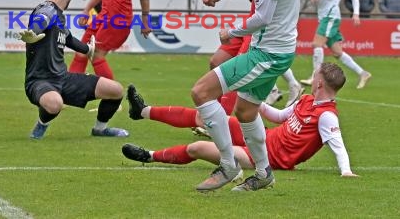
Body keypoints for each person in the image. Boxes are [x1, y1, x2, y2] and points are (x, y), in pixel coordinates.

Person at [193, 0, 300, 192]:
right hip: (276, 49)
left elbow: (263, 16)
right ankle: (264, 173)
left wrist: (232, 33)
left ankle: (228, 165)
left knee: (201, 92)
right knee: (246, 112)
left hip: (267, 53)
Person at [123, 63, 358, 187]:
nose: (312, 76)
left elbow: (338, 145)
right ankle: (141, 111)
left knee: (197, 149)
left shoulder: (327, 116)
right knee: (206, 117)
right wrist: (255, 101)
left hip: (264, 158)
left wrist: (345, 171)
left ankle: (149, 156)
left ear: (319, 84)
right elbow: (278, 116)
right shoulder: (307, 100)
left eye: (315, 75)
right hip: (263, 136)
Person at [20, 0, 129, 139]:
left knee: (116, 90)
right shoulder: (48, 9)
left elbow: (68, 38)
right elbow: (42, 19)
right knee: (55, 103)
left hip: (63, 79)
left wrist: (88, 50)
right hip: (39, 82)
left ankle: (100, 129)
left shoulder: (59, 17)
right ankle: (41, 126)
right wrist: (33, 31)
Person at [300, 0, 372, 89]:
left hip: (331, 16)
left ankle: (315, 76)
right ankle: (363, 73)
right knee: (337, 52)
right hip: (323, 17)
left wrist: (356, 14)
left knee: (317, 44)